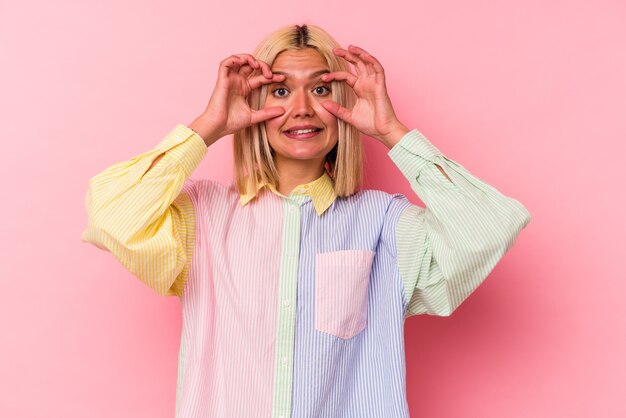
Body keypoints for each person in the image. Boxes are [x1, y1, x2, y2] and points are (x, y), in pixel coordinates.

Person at [81, 23, 531, 418]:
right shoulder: (203, 219)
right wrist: (208, 128)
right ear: (255, 106)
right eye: (280, 91)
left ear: (341, 107)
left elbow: (489, 227)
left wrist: (393, 132)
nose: (302, 109)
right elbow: (111, 214)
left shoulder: (383, 225)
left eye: (319, 90)